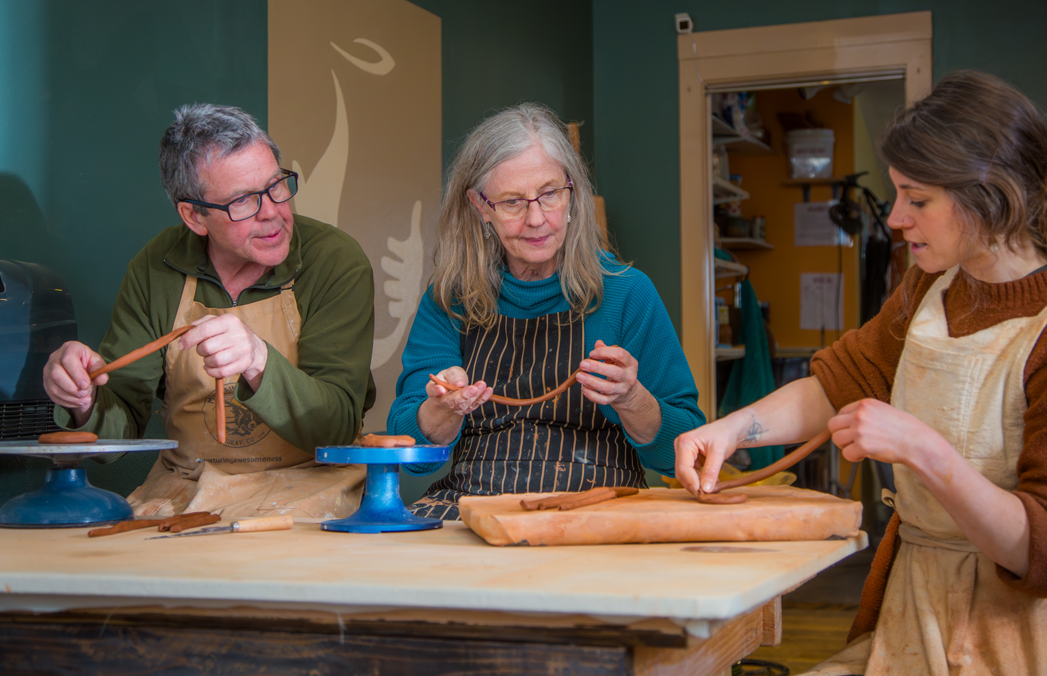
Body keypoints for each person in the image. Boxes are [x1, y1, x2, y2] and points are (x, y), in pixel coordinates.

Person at [675, 71, 1047, 676]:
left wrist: (923, 448)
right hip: (916, 612)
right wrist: (732, 430)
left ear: (992, 196)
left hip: (1025, 642)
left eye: (917, 199)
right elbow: (837, 385)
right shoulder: (932, 288)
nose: (896, 218)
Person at [43, 105, 375, 519]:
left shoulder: (334, 260)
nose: (272, 212)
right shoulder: (157, 267)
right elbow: (118, 430)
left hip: (309, 485)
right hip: (186, 488)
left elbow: (337, 428)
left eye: (276, 185)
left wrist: (258, 360)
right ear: (194, 216)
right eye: (243, 201)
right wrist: (83, 397)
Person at [388, 103, 704, 521]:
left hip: (601, 509)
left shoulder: (628, 293)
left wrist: (632, 399)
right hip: (474, 507)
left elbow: (685, 448)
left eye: (550, 194)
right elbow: (407, 449)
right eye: (512, 202)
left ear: (573, 192)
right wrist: (442, 410)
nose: (537, 219)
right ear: (481, 206)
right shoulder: (450, 300)